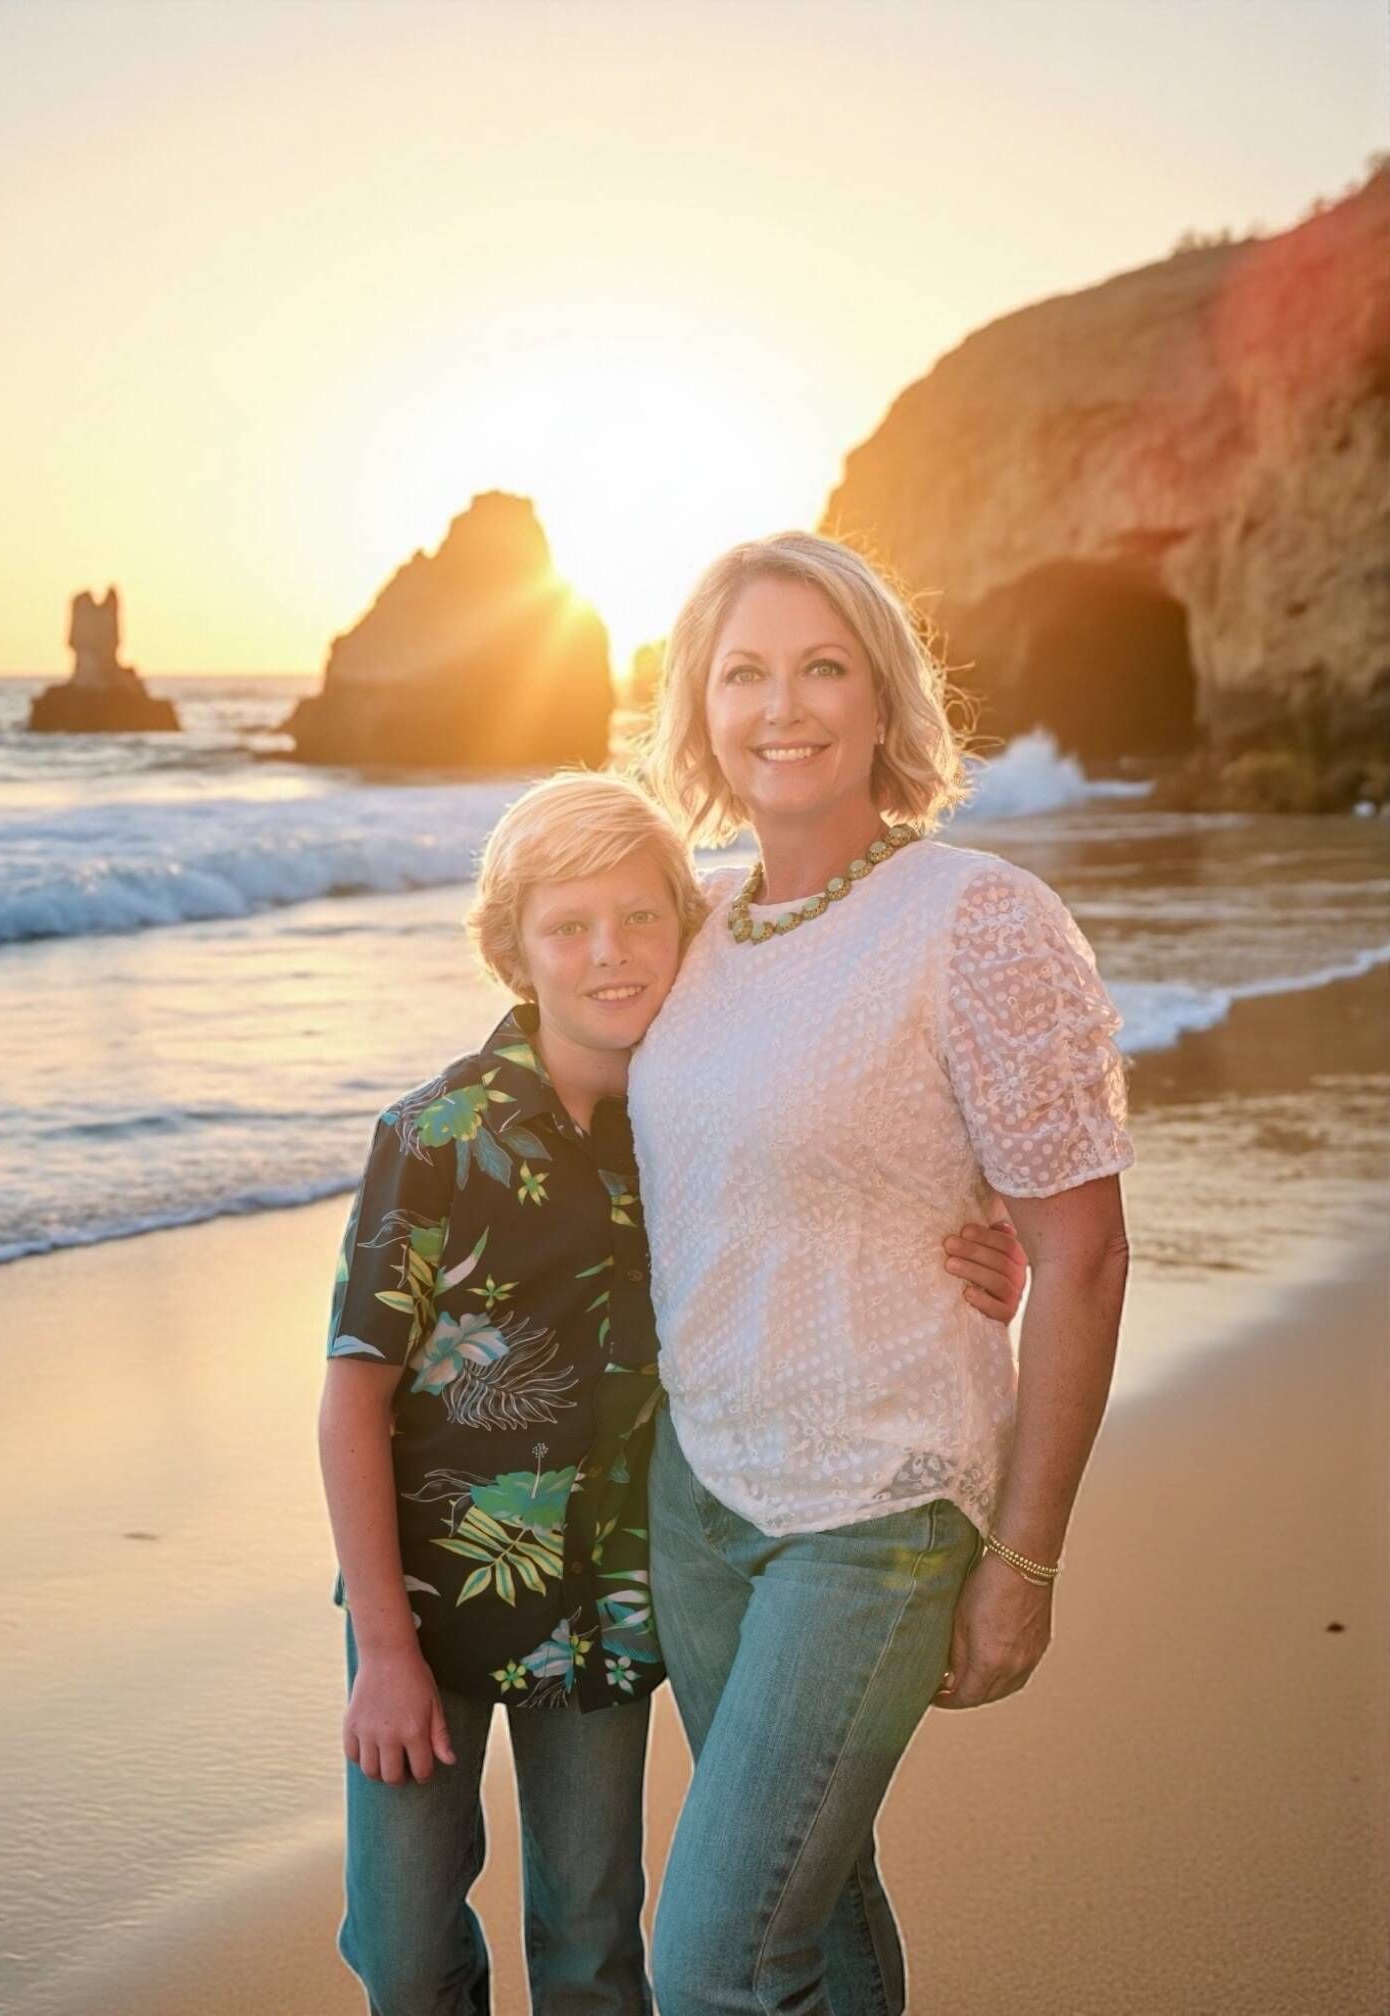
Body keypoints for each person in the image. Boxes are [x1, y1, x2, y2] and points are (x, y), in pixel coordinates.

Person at [317, 769, 1028, 2015]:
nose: (611, 955)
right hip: (425, 1599)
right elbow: (351, 1403)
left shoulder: (693, 1118)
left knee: (594, 1939)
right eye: (569, 927)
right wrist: (381, 1645)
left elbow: (837, 1211)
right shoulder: (435, 1136)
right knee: (400, 1941)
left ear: (685, 927)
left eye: (643, 918)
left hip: (604, 1602)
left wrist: (983, 1245)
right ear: (514, 949)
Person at [634, 532, 1135, 2016]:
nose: (780, 706)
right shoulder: (697, 928)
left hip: (880, 1507)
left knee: (715, 1959)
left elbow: (1085, 1253)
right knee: (817, 1920)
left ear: (883, 698)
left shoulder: (974, 919)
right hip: (702, 1497)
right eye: (744, 675)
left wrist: (1024, 1561)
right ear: (700, 712)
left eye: (821, 667)